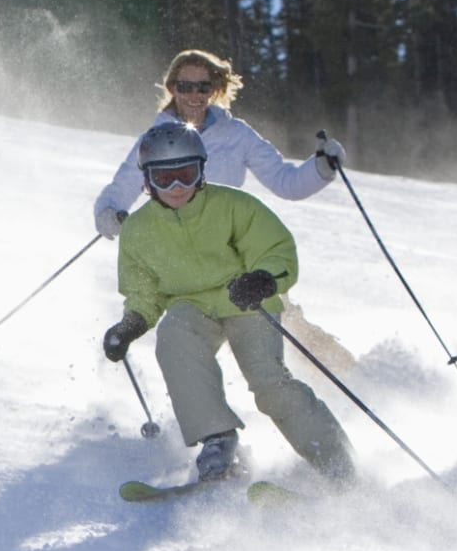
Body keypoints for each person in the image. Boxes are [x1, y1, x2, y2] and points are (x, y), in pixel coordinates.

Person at [101, 123, 357, 488]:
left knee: (269, 383)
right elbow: (144, 290)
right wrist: (131, 324)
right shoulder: (140, 230)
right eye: (164, 178)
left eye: (186, 175)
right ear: (147, 181)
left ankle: (336, 462)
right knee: (174, 334)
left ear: (202, 171)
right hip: (191, 306)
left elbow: (276, 250)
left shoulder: (233, 206)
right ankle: (218, 441)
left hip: (246, 301)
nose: (176, 188)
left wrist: (264, 279)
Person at [93, 48, 353, 370]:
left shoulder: (236, 134)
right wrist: (109, 212)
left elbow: (286, 182)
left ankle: (351, 378)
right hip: (183, 259)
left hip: (234, 254)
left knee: (286, 327)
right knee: (185, 339)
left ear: (214, 89)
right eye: (185, 86)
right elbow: (122, 187)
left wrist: (322, 168)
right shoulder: (155, 139)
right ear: (172, 88)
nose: (194, 95)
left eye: (203, 87)